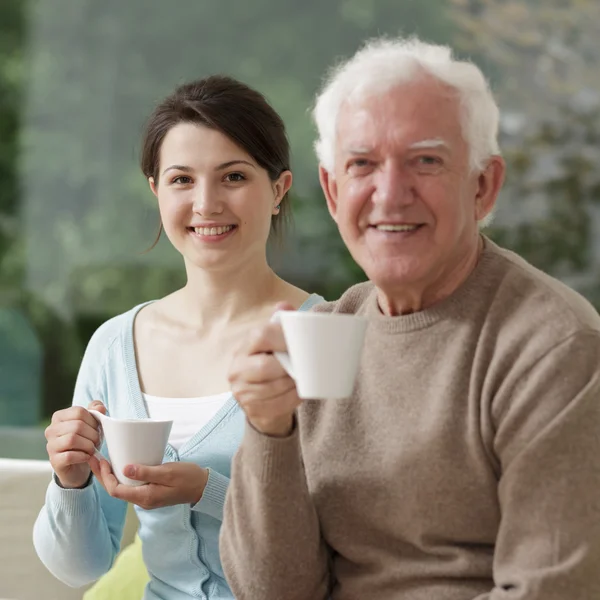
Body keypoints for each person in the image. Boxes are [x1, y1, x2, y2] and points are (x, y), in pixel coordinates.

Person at [220, 36, 600, 600]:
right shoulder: (325, 331)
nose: (390, 194)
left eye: (425, 160)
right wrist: (270, 430)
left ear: (482, 185)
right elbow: (272, 591)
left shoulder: (553, 345)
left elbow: (551, 590)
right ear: (331, 191)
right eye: (362, 165)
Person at [33, 75, 323, 600]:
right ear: (156, 191)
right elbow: (80, 569)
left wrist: (207, 492)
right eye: (182, 180)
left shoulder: (323, 338)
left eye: (233, 176)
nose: (206, 204)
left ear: (278, 189)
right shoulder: (115, 343)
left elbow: (346, 541)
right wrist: (70, 481)